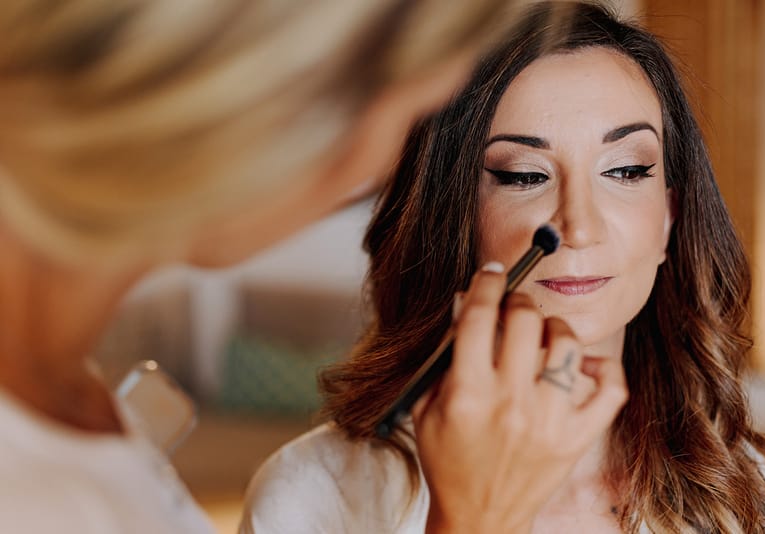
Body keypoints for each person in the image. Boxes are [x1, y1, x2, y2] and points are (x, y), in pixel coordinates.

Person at [240, 2, 765, 533]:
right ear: (452, 217)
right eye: (524, 176)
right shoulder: (315, 496)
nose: (579, 227)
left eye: (627, 170)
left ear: (668, 221)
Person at [0, 0, 538, 532]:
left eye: (626, 169)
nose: (369, 175)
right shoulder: (29, 496)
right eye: (519, 174)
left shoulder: (60, 391)